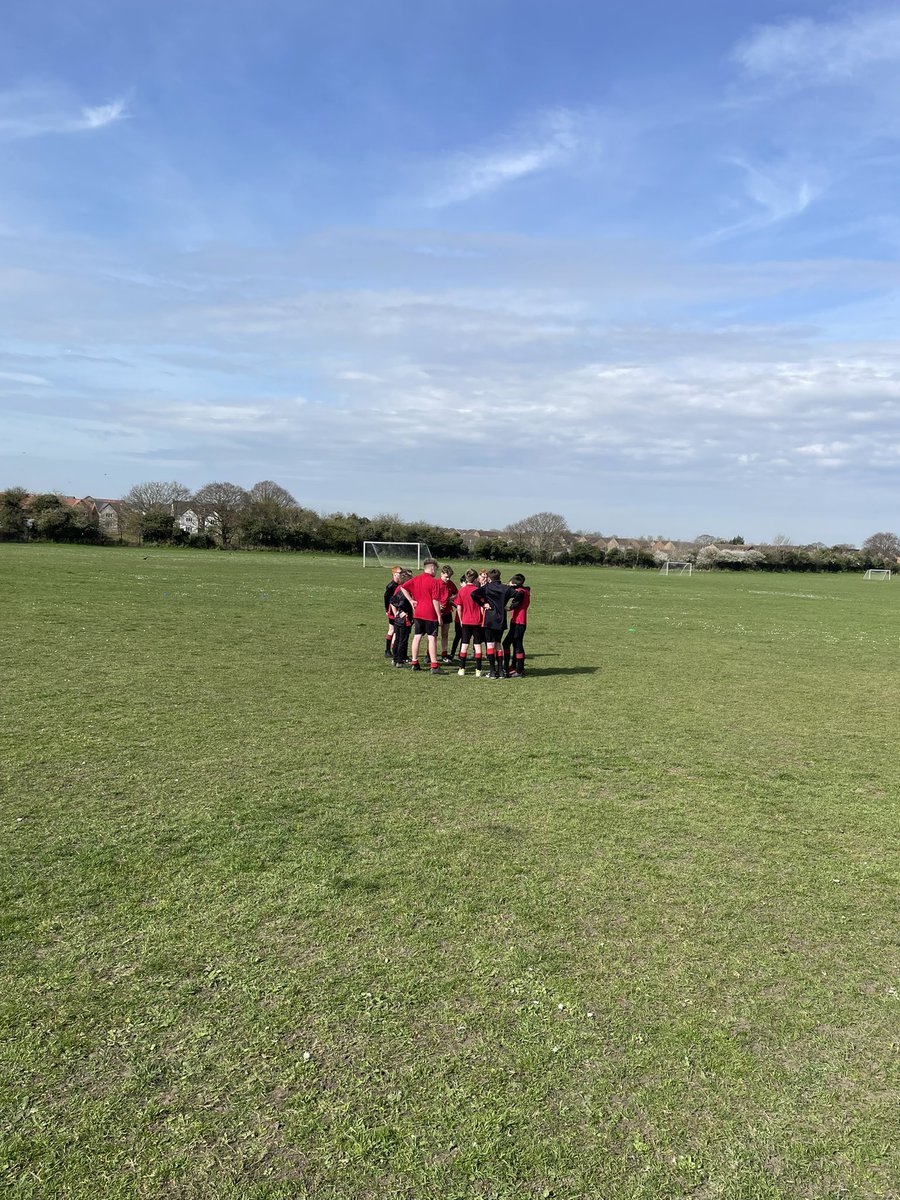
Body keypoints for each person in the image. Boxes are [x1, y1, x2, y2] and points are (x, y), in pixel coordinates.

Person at [396, 559, 445, 674]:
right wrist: (439, 616)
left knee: (417, 636)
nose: (436, 571)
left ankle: (414, 662)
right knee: (432, 638)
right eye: (436, 569)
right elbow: (435, 600)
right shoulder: (434, 582)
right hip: (430, 613)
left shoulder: (416, 579)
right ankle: (434, 665)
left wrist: (411, 600)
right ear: (432, 568)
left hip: (418, 613)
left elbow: (403, 587)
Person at [470, 569, 522, 679]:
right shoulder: (506, 588)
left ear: (489, 577)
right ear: (499, 576)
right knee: (498, 644)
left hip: (489, 619)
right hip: (501, 619)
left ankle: (492, 672)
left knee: (490, 645)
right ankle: (501, 672)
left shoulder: (487, 587)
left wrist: (483, 603)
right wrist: (511, 606)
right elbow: (519, 595)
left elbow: (473, 594)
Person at [454, 569, 486, 677]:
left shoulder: (461, 591)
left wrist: (461, 620)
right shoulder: (478, 590)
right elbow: (482, 607)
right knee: (477, 645)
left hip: (466, 621)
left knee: (464, 644)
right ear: (476, 579)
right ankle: (478, 670)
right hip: (477, 621)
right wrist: (482, 619)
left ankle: (462, 668)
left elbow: (459, 608)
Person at [502, 573, 530, 678]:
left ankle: (519, 670)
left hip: (519, 622)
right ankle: (515, 667)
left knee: (514, 644)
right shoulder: (525, 591)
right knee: (514, 644)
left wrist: (504, 607)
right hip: (517, 622)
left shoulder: (520, 593)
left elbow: (513, 605)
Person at [389, 570, 413, 667]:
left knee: (398, 639)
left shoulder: (399, 588)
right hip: (404, 620)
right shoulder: (405, 590)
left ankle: (395, 659)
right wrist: (403, 611)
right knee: (402, 640)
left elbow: (392, 601)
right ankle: (399, 660)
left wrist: (396, 613)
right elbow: (402, 603)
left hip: (398, 619)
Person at [438, 565, 458, 662]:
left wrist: (452, 598)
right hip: (436, 612)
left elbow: (457, 593)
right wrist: (437, 605)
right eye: (446, 576)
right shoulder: (436, 583)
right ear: (441, 574)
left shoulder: (450, 584)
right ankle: (428, 655)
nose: (448, 579)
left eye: (449, 577)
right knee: (432, 635)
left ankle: (444, 654)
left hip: (447, 612)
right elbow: (430, 597)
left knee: (445, 634)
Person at [383, 566, 403, 658]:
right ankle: (387, 650)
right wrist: (387, 610)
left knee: (396, 630)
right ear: (394, 574)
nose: (401, 574)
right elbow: (386, 598)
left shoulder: (400, 584)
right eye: (399, 573)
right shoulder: (391, 586)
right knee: (392, 630)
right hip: (392, 611)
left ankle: (394, 649)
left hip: (398, 610)